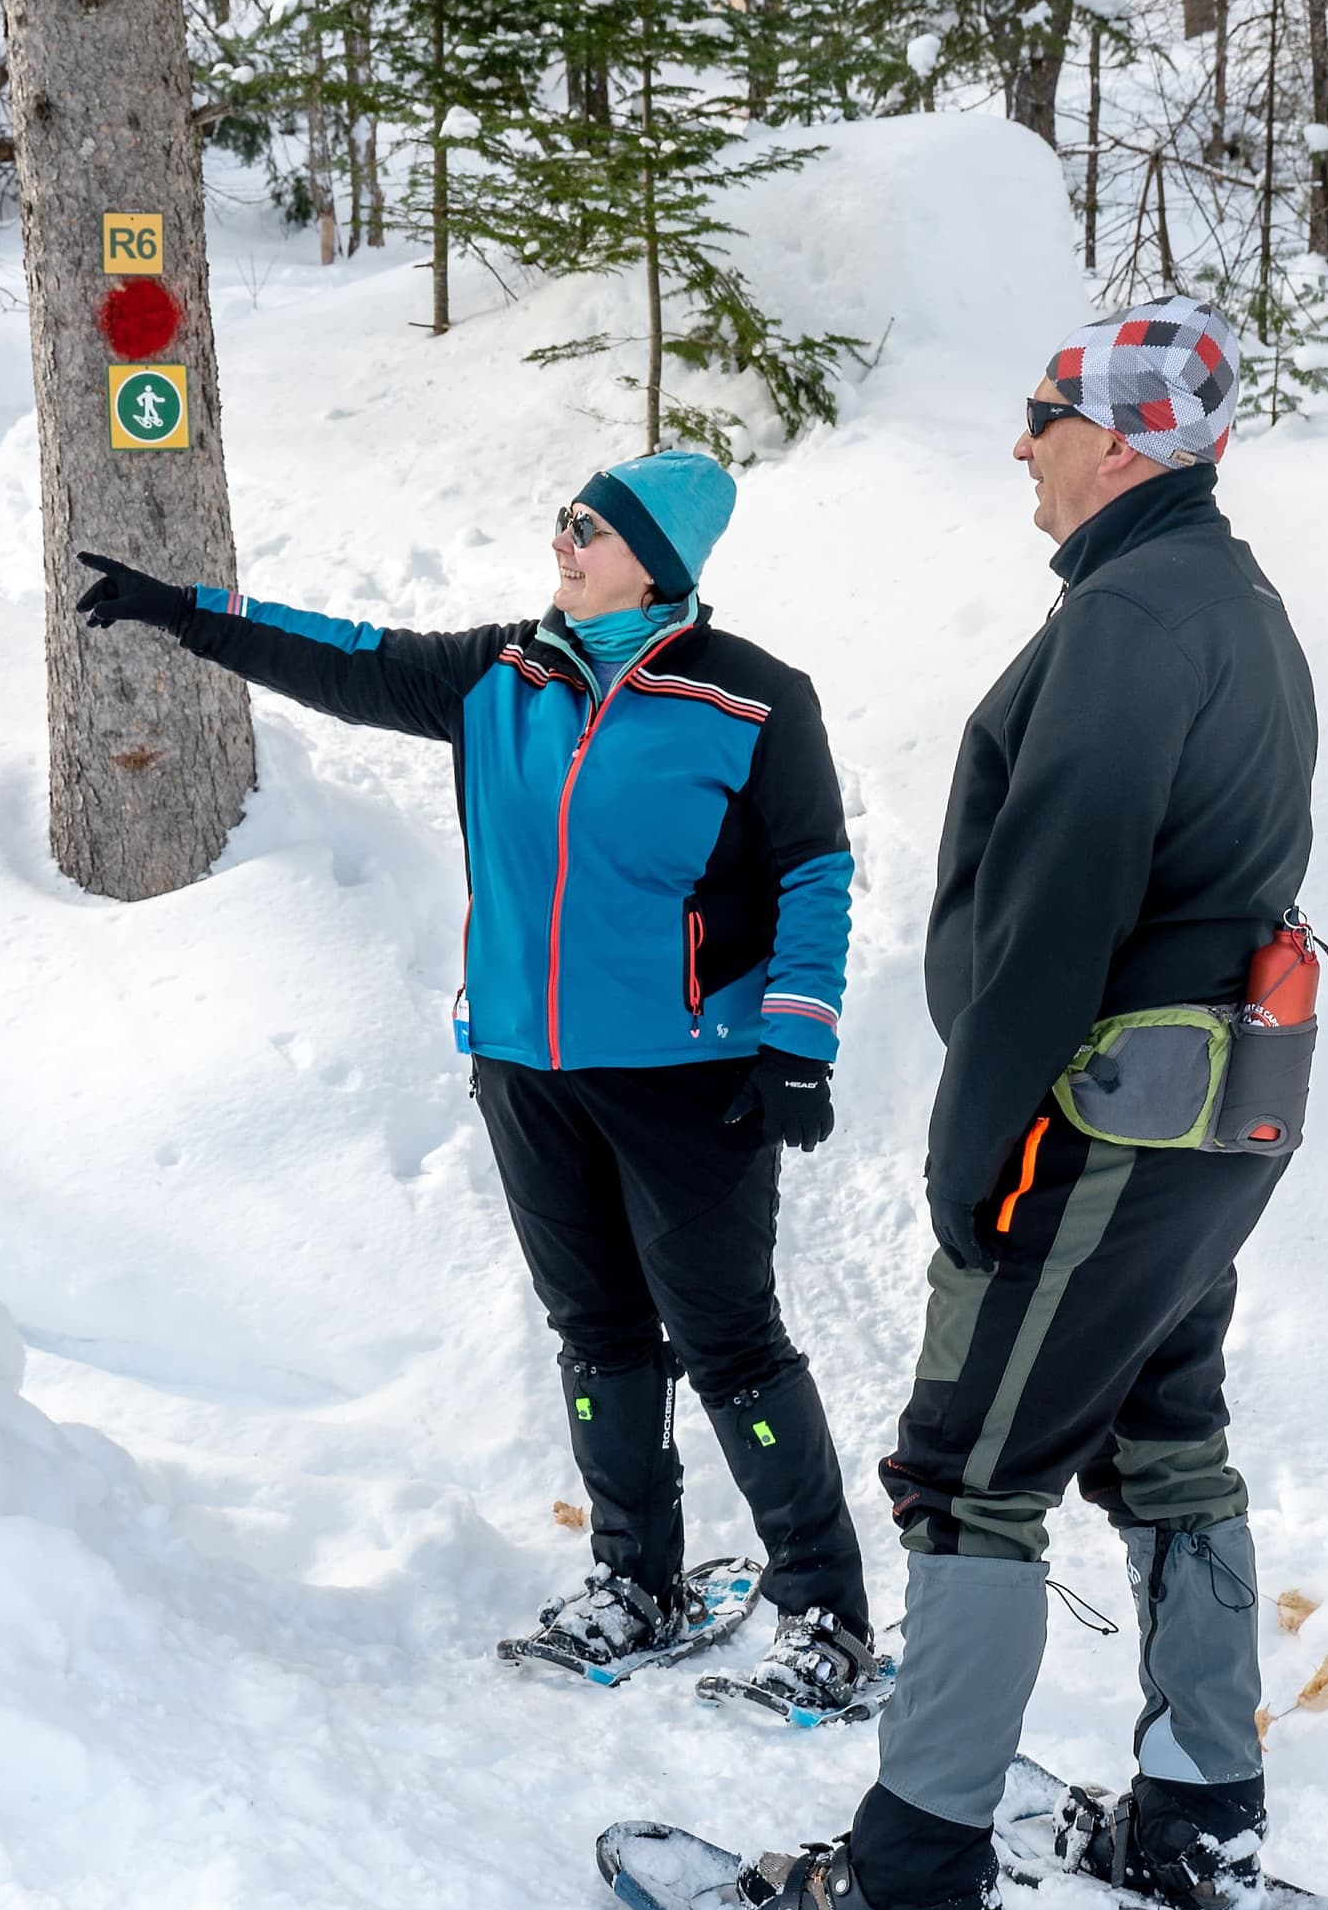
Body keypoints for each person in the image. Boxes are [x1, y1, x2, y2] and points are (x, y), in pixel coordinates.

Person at [734, 297, 1328, 1910]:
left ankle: (914, 1878)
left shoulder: (1134, 620)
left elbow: (1055, 915)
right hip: (1213, 1118)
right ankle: (1196, 1826)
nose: (1019, 444)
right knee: (1167, 1445)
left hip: (1103, 1124)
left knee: (970, 1469)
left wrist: (975, 1148)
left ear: (1118, 442)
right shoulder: (1228, 599)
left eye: (1042, 415)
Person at [72, 451, 878, 1717]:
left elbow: (816, 876)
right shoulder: (502, 674)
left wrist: (797, 1042)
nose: (563, 539)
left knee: (729, 1343)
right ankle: (636, 1582)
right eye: (563, 518)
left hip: (691, 1081)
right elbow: (345, 656)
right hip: (523, 1066)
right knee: (598, 1333)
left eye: (591, 527)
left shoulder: (754, 701)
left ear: (657, 561)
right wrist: (186, 612)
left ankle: (824, 1612)